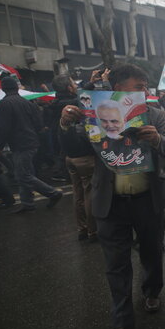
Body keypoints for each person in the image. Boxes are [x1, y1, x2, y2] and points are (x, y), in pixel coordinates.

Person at [60, 64, 165, 329]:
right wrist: (65, 123)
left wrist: (158, 140)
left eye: (145, 86)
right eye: (138, 86)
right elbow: (72, 148)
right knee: (116, 264)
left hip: (147, 200)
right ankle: (122, 323)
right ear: (118, 88)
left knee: (151, 250)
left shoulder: (155, 114)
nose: (144, 91)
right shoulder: (95, 114)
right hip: (111, 203)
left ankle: (151, 291)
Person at [0, 77, 63, 213]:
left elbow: (2, 128)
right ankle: (27, 203)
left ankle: (53, 193)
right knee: (26, 173)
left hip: (20, 144)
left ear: (3, 88)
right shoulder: (27, 103)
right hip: (31, 141)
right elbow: (38, 123)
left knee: (22, 176)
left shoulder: (4, 104)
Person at [54, 74, 98, 242]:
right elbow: (85, 98)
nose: (76, 85)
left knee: (77, 194)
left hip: (68, 156)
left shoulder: (55, 104)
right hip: (84, 155)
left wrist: (91, 82)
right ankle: (93, 231)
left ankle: (82, 228)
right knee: (90, 193)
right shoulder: (73, 105)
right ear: (69, 88)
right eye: (73, 83)